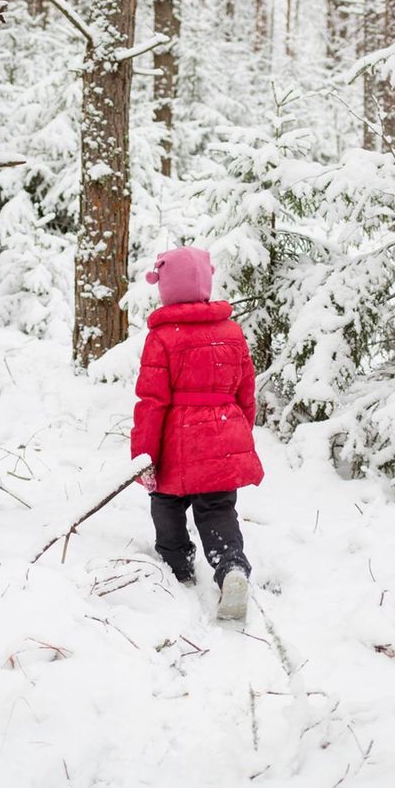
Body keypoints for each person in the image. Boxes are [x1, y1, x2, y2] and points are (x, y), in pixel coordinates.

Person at [130, 246, 265, 621]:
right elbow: (246, 391)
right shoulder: (231, 331)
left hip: (177, 440)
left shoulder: (162, 338)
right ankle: (231, 567)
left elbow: (151, 401)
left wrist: (145, 455)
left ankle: (178, 567)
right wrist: (239, 432)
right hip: (224, 434)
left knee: (167, 504)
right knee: (218, 509)